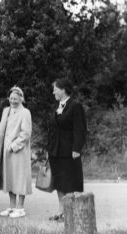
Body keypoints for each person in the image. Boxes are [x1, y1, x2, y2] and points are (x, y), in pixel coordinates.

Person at [48, 78, 87, 222]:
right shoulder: (58, 106)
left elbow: (80, 129)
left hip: (69, 151)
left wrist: (77, 148)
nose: (53, 92)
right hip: (55, 151)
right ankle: (60, 211)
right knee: (58, 182)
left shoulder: (75, 106)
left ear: (63, 89)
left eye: (55, 89)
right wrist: (49, 149)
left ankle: (69, 213)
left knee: (69, 181)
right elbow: (52, 129)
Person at [0, 86, 32, 218]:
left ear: (21, 98)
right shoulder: (6, 111)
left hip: (19, 151)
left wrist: (13, 146)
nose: (13, 101)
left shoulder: (25, 112)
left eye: (15, 98)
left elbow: (26, 134)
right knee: (9, 178)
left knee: (20, 178)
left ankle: (20, 207)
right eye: (11, 98)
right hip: (6, 151)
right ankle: (12, 206)